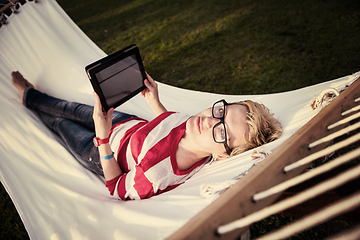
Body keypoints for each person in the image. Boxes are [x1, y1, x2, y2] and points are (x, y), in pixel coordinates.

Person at [11, 71, 282, 200]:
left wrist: (103, 138)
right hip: (125, 123)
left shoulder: (157, 173)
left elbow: (116, 187)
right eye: (219, 111)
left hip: (101, 152)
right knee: (70, 108)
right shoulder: (195, 128)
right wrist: (155, 103)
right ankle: (36, 97)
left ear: (221, 155)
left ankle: (29, 98)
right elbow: (169, 125)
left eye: (222, 130)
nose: (209, 119)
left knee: (60, 124)